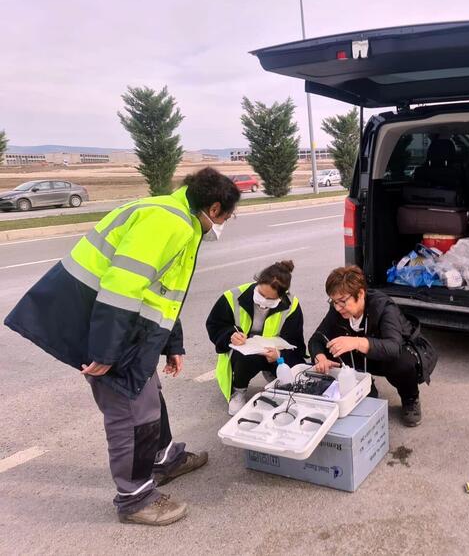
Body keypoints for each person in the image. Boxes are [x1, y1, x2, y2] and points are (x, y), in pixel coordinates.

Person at [4, 167, 240, 526]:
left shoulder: (179, 219)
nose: (226, 223)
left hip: (126, 328)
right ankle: (134, 498)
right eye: (228, 216)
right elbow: (121, 287)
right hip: (102, 326)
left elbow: (163, 293)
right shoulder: (169, 224)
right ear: (215, 206)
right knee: (132, 413)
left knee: (150, 395)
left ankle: (163, 459)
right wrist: (105, 352)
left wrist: (171, 344)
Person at [309, 265, 432, 427]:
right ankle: (364, 386)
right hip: (359, 360)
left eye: (342, 301)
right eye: (333, 301)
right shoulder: (337, 310)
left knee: (402, 361)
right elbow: (317, 338)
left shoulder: (384, 308)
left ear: (360, 294)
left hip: (384, 358)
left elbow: (393, 347)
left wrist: (357, 342)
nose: (337, 308)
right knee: (332, 346)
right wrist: (321, 358)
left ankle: (410, 398)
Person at [206, 260, 306, 416]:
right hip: (243, 354)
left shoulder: (291, 305)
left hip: (273, 354)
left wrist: (279, 356)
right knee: (243, 355)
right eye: (261, 294)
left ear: (281, 296)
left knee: (293, 366)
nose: (263, 300)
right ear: (257, 282)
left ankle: (274, 376)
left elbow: (296, 343)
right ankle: (238, 391)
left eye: (270, 299)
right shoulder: (232, 296)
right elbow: (214, 325)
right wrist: (230, 335)